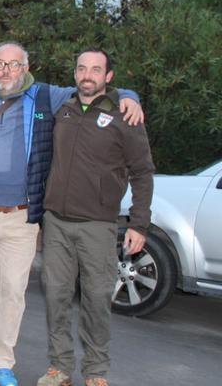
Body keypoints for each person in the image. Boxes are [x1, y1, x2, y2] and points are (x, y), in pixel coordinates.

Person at [0, 42, 143, 386]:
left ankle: (2, 360)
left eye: (14, 65)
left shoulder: (45, 97)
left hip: (21, 215)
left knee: (13, 290)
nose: (6, 71)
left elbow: (91, 89)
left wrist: (129, 95)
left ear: (26, 67)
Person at [37, 49, 153, 386]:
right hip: (56, 221)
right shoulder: (63, 109)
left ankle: (95, 370)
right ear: (74, 73)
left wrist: (139, 224)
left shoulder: (124, 116)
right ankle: (59, 367)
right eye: (82, 68)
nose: (88, 75)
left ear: (108, 77)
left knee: (97, 298)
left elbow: (143, 172)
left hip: (99, 225)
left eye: (96, 70)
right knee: (56, 296)